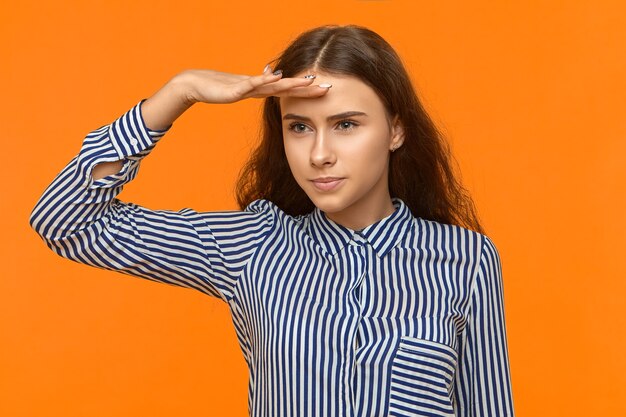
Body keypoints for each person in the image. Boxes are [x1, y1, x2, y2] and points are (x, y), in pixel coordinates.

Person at [30, 25, 514, 417]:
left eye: (346, 125)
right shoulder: (254, 244)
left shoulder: (465, 260)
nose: (320, 154)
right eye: (299, 127)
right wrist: (179, 92)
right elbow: (66, 221)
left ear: (395, 129)